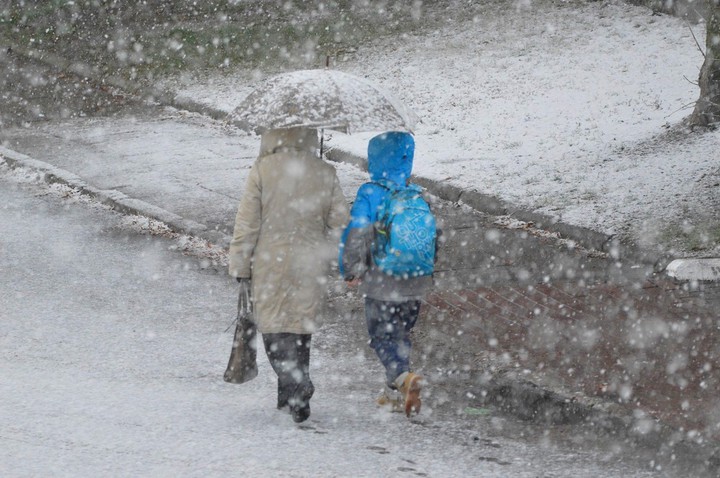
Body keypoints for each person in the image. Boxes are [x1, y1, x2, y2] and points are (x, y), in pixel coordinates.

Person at [228, 127, 349, 423]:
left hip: (271, 262)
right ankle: (292, 397)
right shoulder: (324, 170)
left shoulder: (262, 170)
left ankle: (296, 386)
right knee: (298, 328)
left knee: (272, 329)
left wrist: (241, 266)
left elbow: (247, 225)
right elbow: (340, 220)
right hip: (310, 262)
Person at [340, 131, 436, 417]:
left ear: (374, 159)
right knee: (401, 333)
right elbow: (433, 239)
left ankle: (403, 377)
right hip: (416, 280)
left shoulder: (370, 193)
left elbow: (356, 235)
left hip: (382, 281)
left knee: (381, 336)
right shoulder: (417, 194)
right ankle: (393, 393)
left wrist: (351, 269)